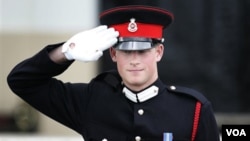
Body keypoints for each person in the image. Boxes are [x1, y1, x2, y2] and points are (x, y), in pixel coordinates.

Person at [7, 5, 220, 141]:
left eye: (143, 51)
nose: (134, 60)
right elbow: (22, 81)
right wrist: (66, 51)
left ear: (159, 52)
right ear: (113, 54)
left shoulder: (193, 110)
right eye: (126, 52)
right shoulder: (91, 100)